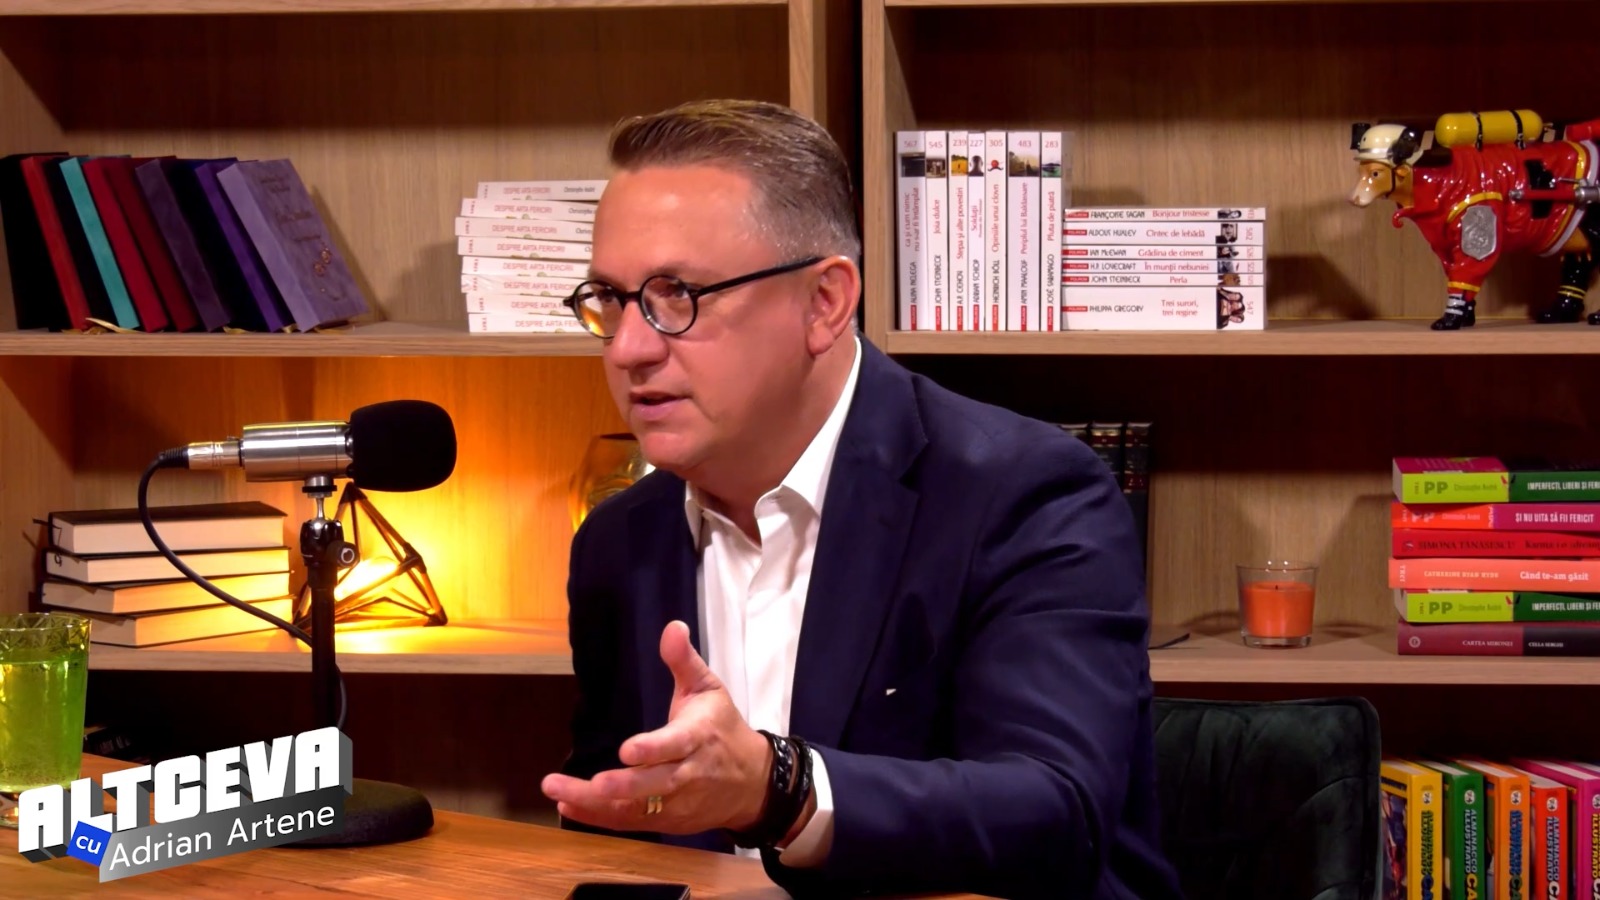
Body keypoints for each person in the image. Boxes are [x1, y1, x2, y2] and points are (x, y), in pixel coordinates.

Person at [539, 98, 1182, 900]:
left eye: (678, 296)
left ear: (825, 303)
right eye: (610, 298)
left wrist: (779, 790)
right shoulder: (617, 541)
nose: (630, 348)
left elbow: (1055, 811)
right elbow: (622, 823)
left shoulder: (1026, 494)